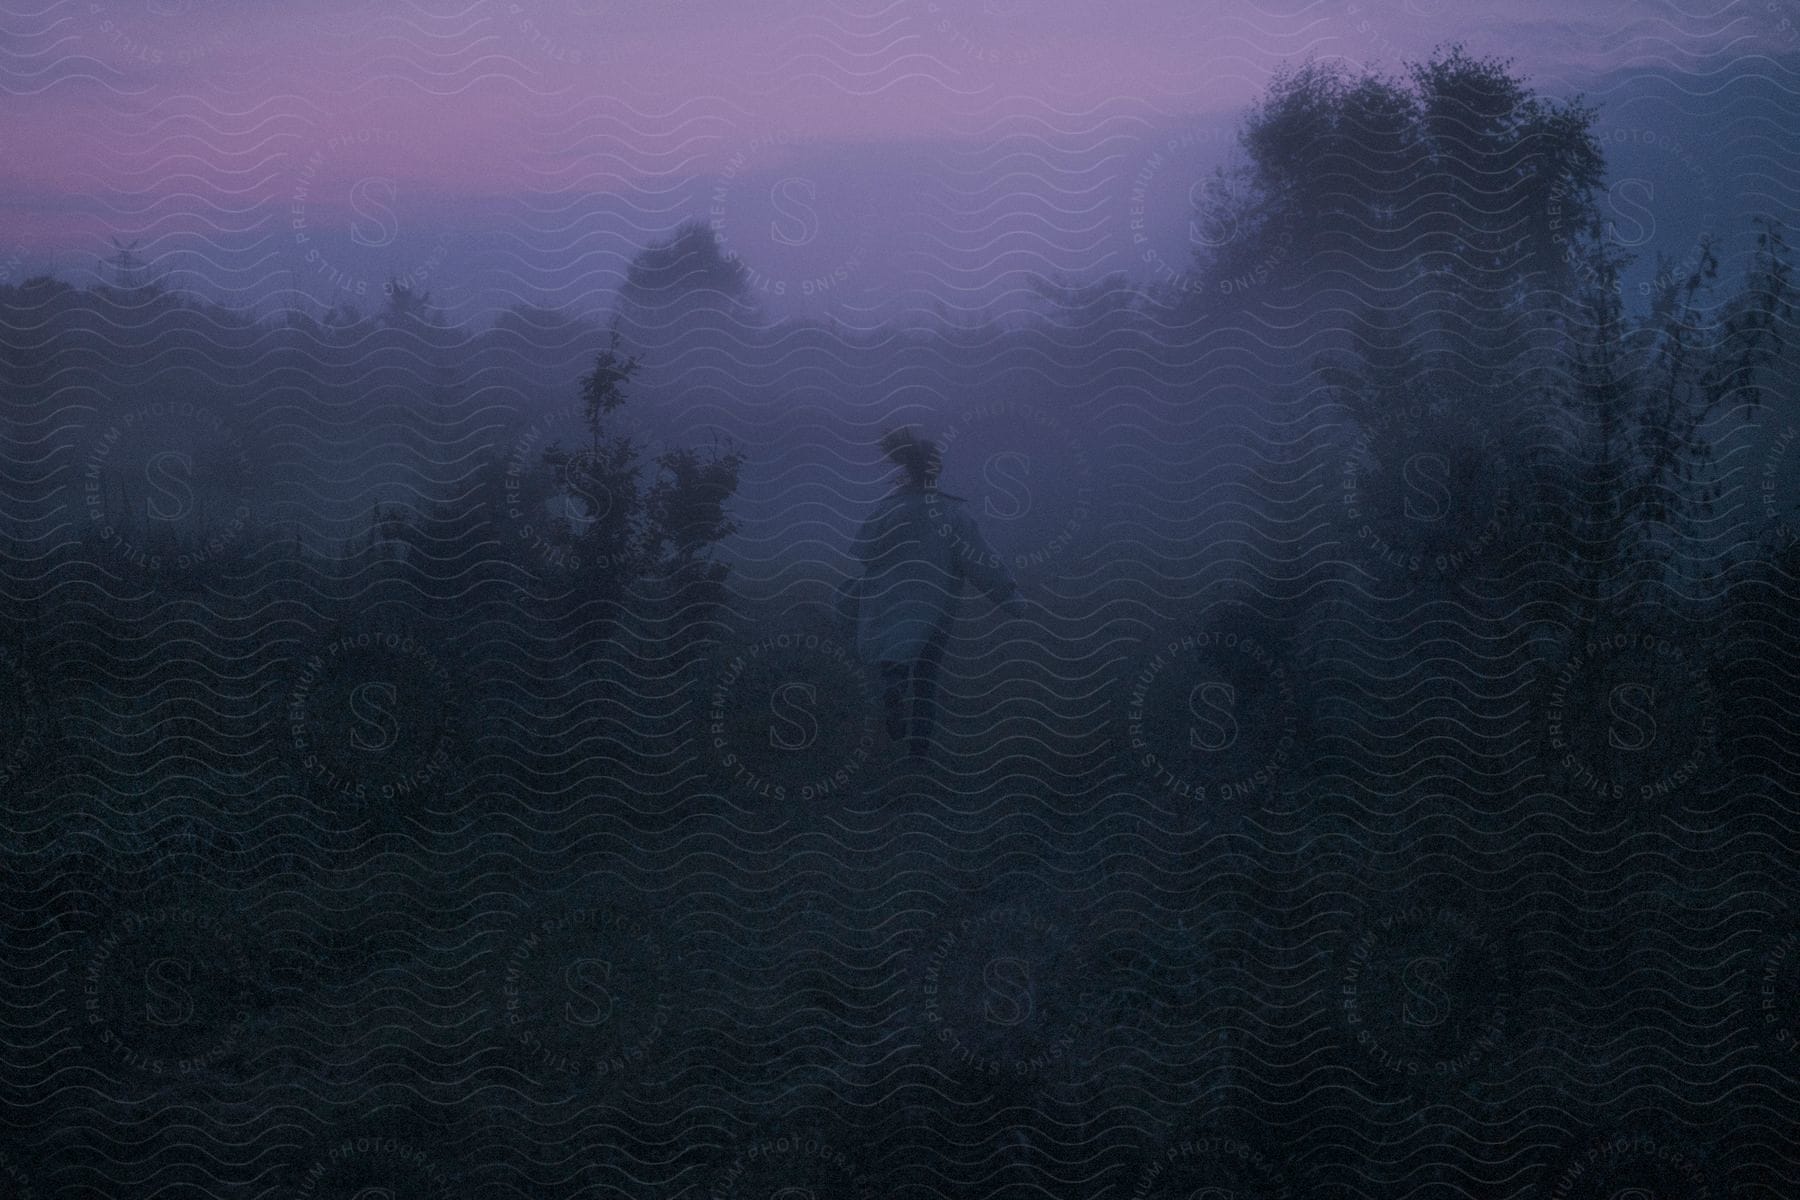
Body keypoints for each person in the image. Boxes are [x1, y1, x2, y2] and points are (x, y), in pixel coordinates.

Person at [839, 426, 1026, 758]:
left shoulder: (888, 509)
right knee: (927, 676)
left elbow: (865, 552)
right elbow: (978, 559)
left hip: (888, 600)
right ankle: (918, 752)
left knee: (892, 656)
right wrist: (1008, 596)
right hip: (934, 605)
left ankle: (893, 688)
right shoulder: (953, 513)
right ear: (935, 471)